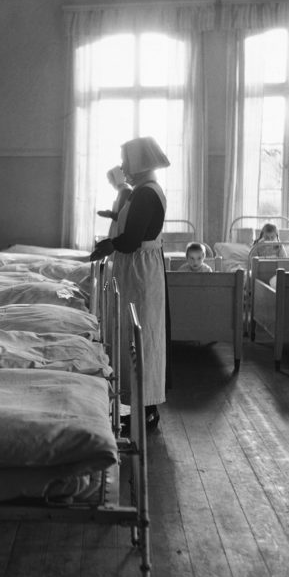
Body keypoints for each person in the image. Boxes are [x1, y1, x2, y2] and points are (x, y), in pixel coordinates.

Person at [90, 136, 171, 432]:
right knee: (137, 335)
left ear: (139, 163)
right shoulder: (143, 192)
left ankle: (146, 408)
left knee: (142, 337)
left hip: (139, 269)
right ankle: (140, 406)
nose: (123, 167)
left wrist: (108, 245)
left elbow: (131, 239)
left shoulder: (146, 194)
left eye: (126, 161)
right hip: (138, 268)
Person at [97, 166, 133, 238]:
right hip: (117, 228)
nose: (109, 182)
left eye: (110, 179)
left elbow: (121, 216)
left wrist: (109, 214)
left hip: (120, 230)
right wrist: (109, 213)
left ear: (116, 178)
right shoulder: (122, 190)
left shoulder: (125, 191)